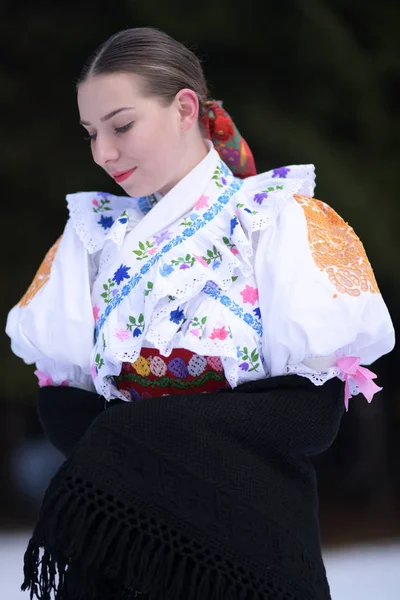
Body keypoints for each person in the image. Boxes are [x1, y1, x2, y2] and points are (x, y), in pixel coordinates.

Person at [6, 27, 395, 600]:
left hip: (246, 534)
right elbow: (64, 406)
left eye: (121, 125)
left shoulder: (274, 221)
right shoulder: (91, 239)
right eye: (91, 133)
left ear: (185, 107)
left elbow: (308, 414)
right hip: (121, 541)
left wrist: (138, 432)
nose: (102, 152)